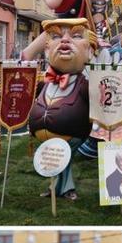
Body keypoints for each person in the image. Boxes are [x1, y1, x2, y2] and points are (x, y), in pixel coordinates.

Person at [27, 19, 94, 201]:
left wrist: (121, 94)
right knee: (58, 159)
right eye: (56, 36)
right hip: (46, 140)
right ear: (47, 50)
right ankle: (58, 188)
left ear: (89, 51)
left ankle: (65, 188)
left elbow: (106, 97)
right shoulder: (43, 83)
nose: (65, 41)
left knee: (64, 156)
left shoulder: (84, 86)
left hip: (72, 135)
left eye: (76, 36)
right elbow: (18, 93)